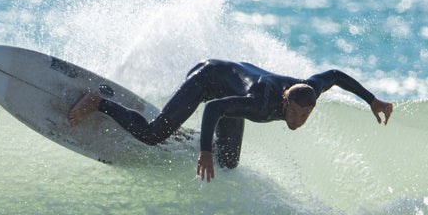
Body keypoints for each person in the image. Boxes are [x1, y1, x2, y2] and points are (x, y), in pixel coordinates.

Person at [68, 58, 393, 181]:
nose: (297, 120)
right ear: (284, 101)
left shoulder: (309, 90)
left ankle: (186, 138)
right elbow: (214, 109)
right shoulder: (259, 102)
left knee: (228, 163)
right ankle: (98, 103)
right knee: (154, 134)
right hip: (207, 79)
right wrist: (204, 151)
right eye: (293, 114)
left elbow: (334, 74)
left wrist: (372, 100)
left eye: (303, 116)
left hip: (229, 90)